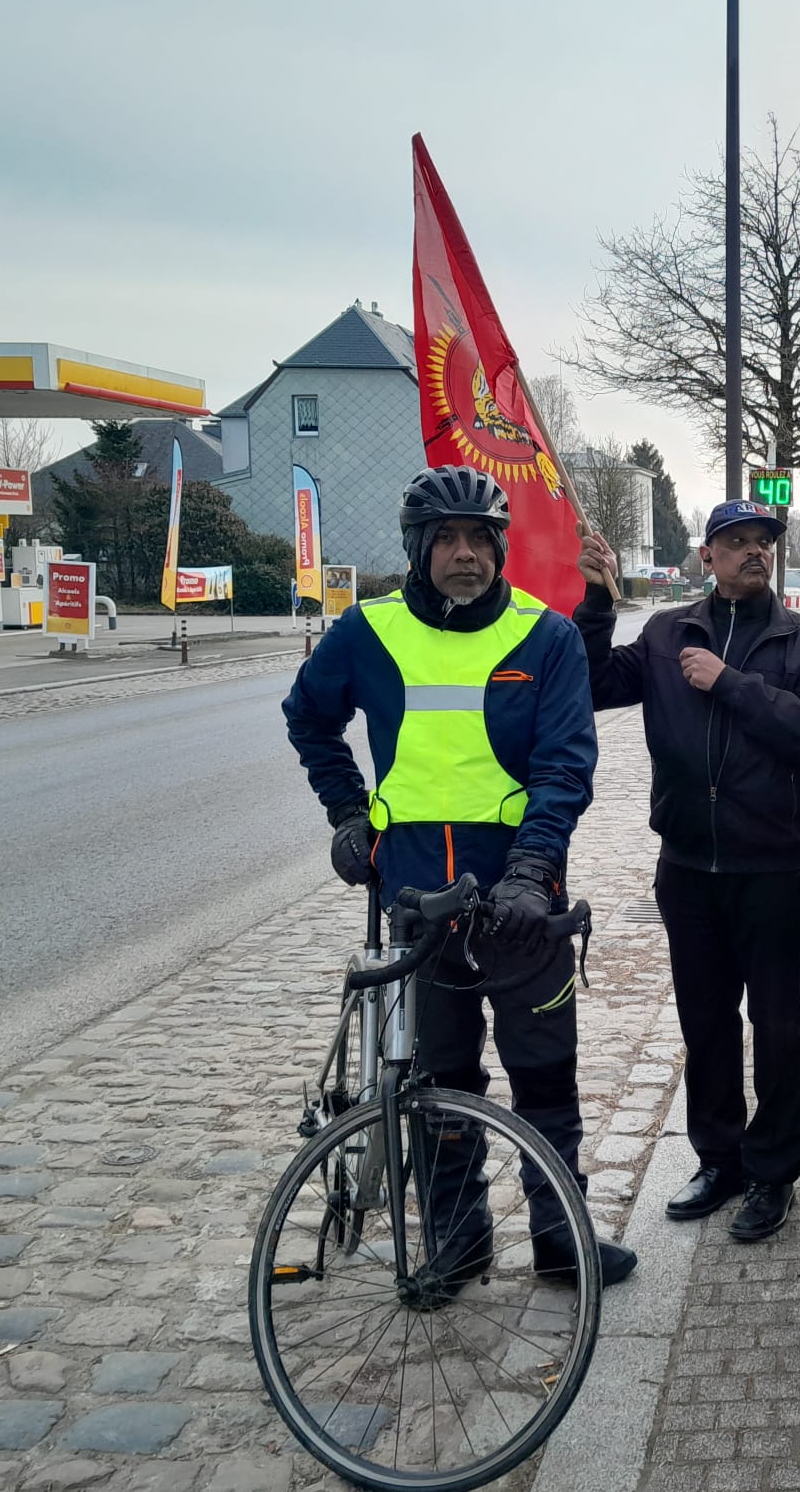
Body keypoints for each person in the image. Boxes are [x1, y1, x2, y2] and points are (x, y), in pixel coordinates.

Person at [283, 463, 636, 1298]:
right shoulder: (366, 632)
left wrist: (531, 869)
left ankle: (559, 1236)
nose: (466, 555)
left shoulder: (543, 636)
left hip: (520, 900)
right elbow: (309, 718)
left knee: (545, 1073)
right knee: (439, 1085)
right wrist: (346, 814)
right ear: (417, 548)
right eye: (447, 539)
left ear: (502, 548)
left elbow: (564, 766)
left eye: (481, 539)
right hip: (412, 899)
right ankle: (458, 1240)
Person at [572, 502, 800, 1242]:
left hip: (772, 867)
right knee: (706, 1025)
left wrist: (731, 683)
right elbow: (593, 682)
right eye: (737, 543)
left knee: (779, 1025)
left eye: (763, 543)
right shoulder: (668, 635)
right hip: (689, 866)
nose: (753, 553)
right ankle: (720, 1158)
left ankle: (774, 1171)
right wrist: (599, 600)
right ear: (707, 556)